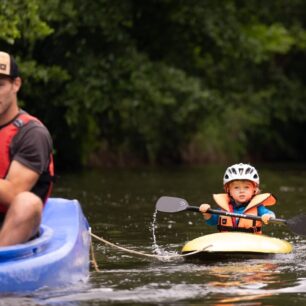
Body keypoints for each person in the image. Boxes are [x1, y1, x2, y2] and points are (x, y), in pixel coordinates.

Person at [0, 51, 54, 246]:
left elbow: (13, 193)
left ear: (16, 85)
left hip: (11, 226)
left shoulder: (32, 134)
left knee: (27, 203)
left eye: (0, 85)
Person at [199, 163, 275, 234]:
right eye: (236, 188)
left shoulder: (258, 208)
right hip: (226, 242)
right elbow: (212, 221)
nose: (241, 191)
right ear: (229, 190)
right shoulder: (224, 208)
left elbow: (270, 214)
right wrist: (207, 213)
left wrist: (268, 217)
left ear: (254, 190)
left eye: (246, 187)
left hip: (251, 242)